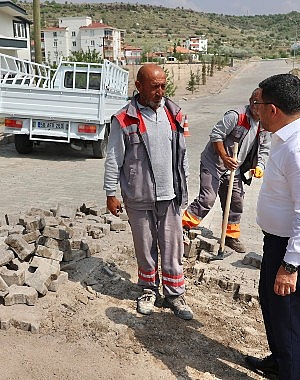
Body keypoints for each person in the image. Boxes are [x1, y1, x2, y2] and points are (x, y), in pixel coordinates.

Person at [245, 74, 300, 379]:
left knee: (288, 316)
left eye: (258, 104)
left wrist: (290, 266)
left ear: (273, 109)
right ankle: (280, 361)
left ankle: (291, 372)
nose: (255, 110)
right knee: (271, 304)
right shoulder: (286, 136)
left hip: (293, 247)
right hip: (279, 242)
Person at [104, 64, 192, 320]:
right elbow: (113, 158)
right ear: (139, 86)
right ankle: (148, 290)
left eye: (163, 86)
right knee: (145, 247)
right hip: (139, 195)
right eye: (154, 86)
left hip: (170, 195)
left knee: (173, 246)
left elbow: (183, 155)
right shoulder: (124, 118)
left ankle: (175, 293)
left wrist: (183, 187)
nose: (160, 91)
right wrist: (111, 192)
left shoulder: (175, 114)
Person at [182, 88, 270, 253]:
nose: (253, 105)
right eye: (252, 100)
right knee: (207, 199)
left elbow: (264, 148)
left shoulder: (264, 124)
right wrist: (224, 157)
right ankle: (183, 226)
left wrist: (260, 166)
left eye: (258, 103)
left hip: (234, 169)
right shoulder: (236, 116)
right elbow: (216, 135)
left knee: (236, 202)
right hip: (214, 164)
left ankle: (230, 236)